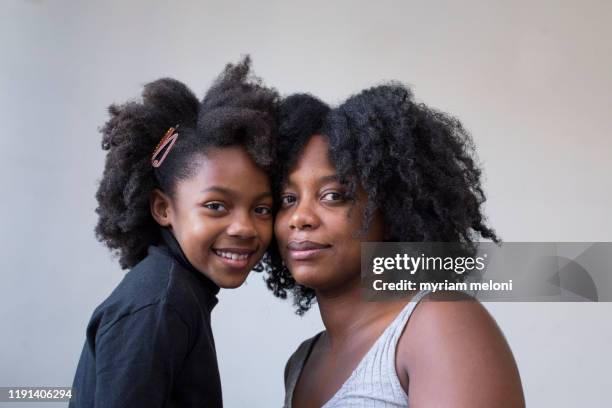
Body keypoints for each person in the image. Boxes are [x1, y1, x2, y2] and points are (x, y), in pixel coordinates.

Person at [267, 88, 525, 407]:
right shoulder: (301, 362)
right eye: (287, 199)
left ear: (390, 211)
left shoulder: (439, 323)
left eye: (333, 195)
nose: (300, 217)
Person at [69, 57, 279, 408]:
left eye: (261, 209)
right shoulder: (160, 304)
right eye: (216, 205)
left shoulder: (177, 292)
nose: (244, 227)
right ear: (163, 209)